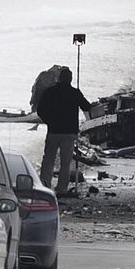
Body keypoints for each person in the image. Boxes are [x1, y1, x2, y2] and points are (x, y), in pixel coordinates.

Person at [36, 67, 92, 196]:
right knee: (65, 163)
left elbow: (40, 110)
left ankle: (45, 186)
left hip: (53, 131)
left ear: (59, 78)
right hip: (69, 132)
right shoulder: (74, 92)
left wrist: (49, 121)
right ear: (70, 79)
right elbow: (87, 107)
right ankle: (61, 189)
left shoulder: (50, 92)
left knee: (48, 160)